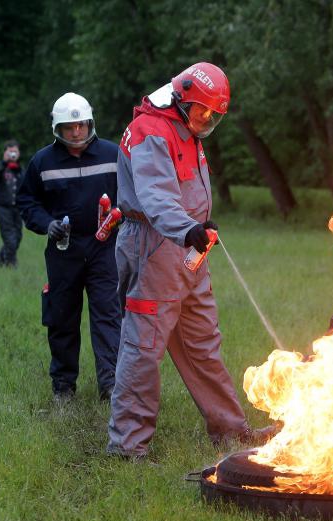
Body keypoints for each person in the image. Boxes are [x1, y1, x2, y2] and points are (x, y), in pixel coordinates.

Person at [107, 62, 274, 459]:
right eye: (202, 111)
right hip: (154, 245)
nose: (207, 119)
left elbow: (184, 191)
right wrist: (187, 229)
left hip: (187, 246)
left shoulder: (186, 128)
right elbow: (157, 198)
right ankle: (127, 447)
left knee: (202, 342)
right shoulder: (151, 130)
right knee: (144, 346)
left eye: (214, 115)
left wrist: (198, 224)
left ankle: (230, 431)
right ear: (182, 96)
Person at [17, 92, 121, 402]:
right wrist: (46, 223)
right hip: (64, 249)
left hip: (106, 248)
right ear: (57, 129)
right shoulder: (42, 162)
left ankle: (111, 384)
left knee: (108, 315)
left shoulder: (113, 155)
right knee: (61, 317)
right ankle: (63, 386)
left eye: (80, 125)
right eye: (68, 127)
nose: (75, 132)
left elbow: (132, 195)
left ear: (90, 123)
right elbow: (26, 201)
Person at [0, 140, 24, 267]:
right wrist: (4, 163)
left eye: (15, 151)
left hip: (17, 208)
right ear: (5, 152)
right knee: (9, 236)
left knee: (18, 236)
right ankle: (11, 263)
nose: (13, 154)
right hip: (2, 207)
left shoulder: (20, 169)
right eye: (10, 151)